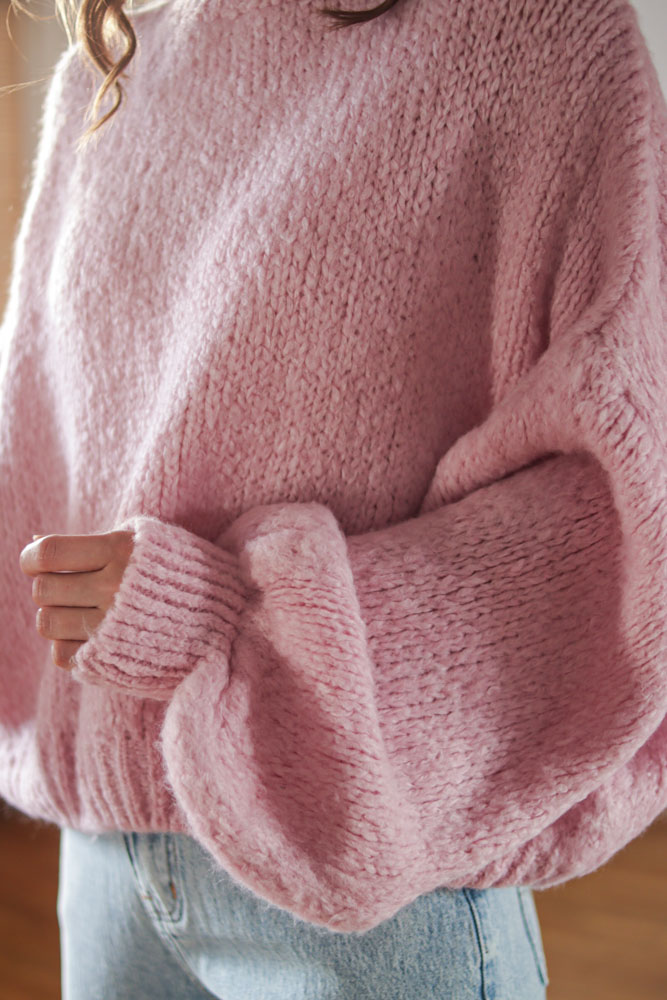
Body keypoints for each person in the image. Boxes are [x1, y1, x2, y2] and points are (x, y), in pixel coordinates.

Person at [2, 0, 667, 995]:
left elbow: (619, 516)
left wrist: (223, 617)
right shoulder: (105, 76)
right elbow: (44, 447)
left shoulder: (537, 38)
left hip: (366, 896)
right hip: (106, 869)